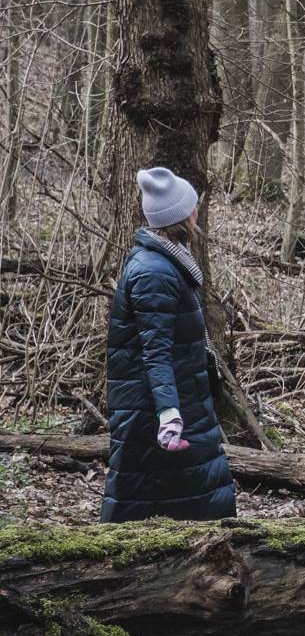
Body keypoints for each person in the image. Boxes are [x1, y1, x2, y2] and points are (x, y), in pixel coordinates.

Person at [102, 168, 237, 523]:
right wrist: (168, 414)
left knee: (193, 498)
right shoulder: (155, 272)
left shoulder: (167, 261)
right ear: (182, 215)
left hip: (179, 398)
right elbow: (155, 351)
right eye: (193, 205)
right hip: (157, 409)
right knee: (151, 504)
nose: (197, 210)